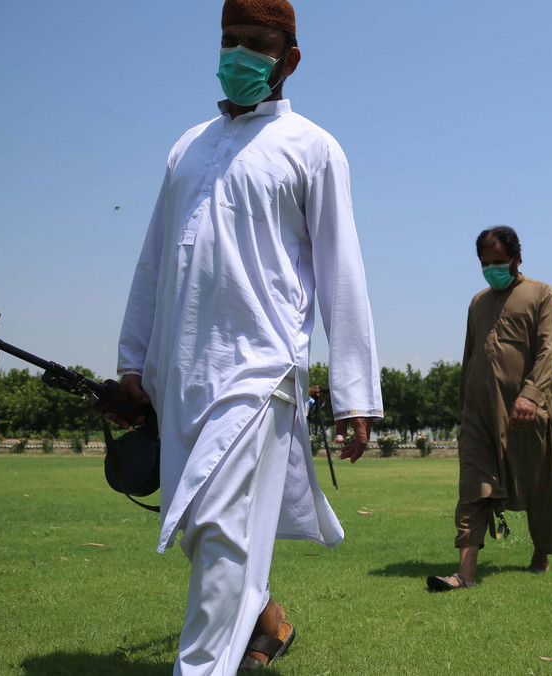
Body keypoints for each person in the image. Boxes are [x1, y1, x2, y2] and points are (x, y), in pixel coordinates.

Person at [115, 2, 383, 671]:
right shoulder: (188, 145)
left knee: (219, 528)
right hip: (180, 372)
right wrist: (132, 361)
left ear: (289, 58)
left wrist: (355, 394)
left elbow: (340, 270)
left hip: (261, 372)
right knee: (197, 528)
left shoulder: (314, 149)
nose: (237, 55)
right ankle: (269, 621)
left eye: (255, 44)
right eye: (229, 40)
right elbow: (154, 260)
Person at [428, 226, 552, 591]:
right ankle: (466, 572)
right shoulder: (477, 302)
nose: (492, 270)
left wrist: (531, 395)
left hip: (526, 411)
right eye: (484, 264)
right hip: (479, 412)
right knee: (473, 482)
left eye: (498, 263)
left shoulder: (543, 295)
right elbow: (470, 356)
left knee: (537, 486)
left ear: (517, 259)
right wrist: (464, 408)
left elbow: (548, 351)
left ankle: (542, 551)